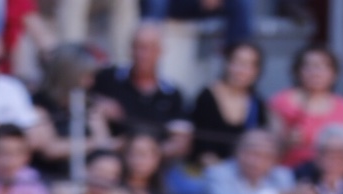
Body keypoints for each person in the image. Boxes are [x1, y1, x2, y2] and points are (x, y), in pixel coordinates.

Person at [91, 21, 190, 161]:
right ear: (130, 49)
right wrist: (99, 102)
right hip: (112, 160)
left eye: (149, 48)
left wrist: (145, 153)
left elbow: (181, 141)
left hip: (155, 168)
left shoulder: (172, 94)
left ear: (160, 51)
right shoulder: (108, 78)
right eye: (138, 47)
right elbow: (78, 95)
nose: (142, 54)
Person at [30, 41, 119, 183]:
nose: (90, 82)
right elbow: (50, 148)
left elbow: (103, 141)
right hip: (50, 178)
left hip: (88, 180)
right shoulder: (39, 103)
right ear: (68, 76)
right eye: (85, 76)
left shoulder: (88, 104)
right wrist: (93, 143)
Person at [268, 42, 343, 170]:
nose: (315, 72)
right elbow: (267, 149)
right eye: (309, 66)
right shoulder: (281, 102)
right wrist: (286, 143)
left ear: (334, 74)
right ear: (298, 71)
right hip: (289, 173)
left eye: (323, 67)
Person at [192, 126, 294, 194]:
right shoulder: (217, 174)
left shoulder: (282, 177)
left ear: (275, 160)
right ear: (237, 152)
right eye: (253, 154)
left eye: (266, 156)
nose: (257, 162)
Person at [189, 38, 267, 168]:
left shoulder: (257, 103)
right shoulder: (207, 96)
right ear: (227, 63)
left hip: (242, 174)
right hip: (205, 170)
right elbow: (198, 144)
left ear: (256, 71)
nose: (242, 70)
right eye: (238, 62)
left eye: (249, 65)